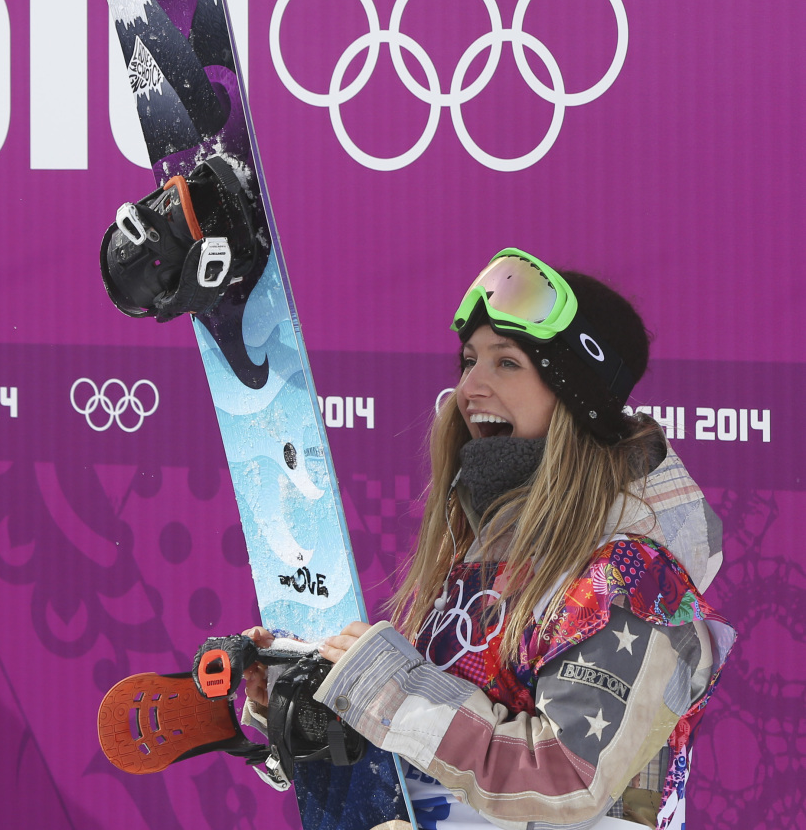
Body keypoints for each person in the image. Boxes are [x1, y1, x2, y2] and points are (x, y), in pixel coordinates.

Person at [242, 248, 735, 829]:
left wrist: (388, 689)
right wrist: (319, 697)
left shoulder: (629, 578)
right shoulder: (480, 548)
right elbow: (442, 762)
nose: (469, 386)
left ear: (574, 398)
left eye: (506, 363)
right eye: (468, 361)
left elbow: (569, 780)